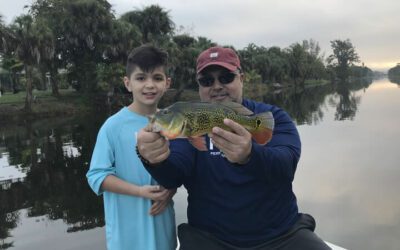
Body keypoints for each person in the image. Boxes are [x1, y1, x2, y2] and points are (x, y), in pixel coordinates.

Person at [136, 46, 331, 250]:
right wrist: (153, 159)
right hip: (210, 238)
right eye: (207, 81)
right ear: (199, 86)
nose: (217, 86)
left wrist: (250, 155)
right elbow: (172, 176)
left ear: (242, 78)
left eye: (226, 77)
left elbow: (286, 166)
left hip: (281, 234)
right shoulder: (186, 125)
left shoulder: (272, 117)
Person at [86, 44, 177, 250]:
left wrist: (170, 190)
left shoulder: (172, 122)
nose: (150, 85)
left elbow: (183, 167)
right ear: (128, 83)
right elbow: (97, 176)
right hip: (127, 237)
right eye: (141, 78)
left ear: (167, 83)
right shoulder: (113, 126)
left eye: (157, 78)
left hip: (163, 231)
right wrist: (139, 191)